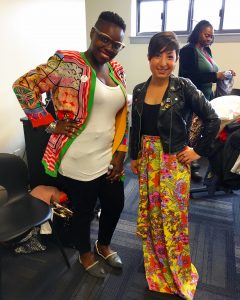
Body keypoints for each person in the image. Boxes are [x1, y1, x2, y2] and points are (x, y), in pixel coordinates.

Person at [13, 11, 128, 278]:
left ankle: (103, 245)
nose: (108, 47)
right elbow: (23, 87)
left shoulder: (117, 69)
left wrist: (121, 150)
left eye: (116, 44)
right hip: (78, 157)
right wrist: (49, 123)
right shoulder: (67, 63)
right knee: (83, 211)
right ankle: (85, 254)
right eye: (103, 38)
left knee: (115, 204)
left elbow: (123, 113)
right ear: (93, 33)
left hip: (109, 155)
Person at [130, 31, 220, 299]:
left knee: (173, 219)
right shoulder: (139, 90)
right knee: (153, 215)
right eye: (156, 55)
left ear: (177, 58)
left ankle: (177, 271)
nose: (162, 62)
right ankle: (156, 267)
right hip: (147, 161)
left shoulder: (184, 86)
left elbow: (212, 119)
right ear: (148, 58)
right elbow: (136, 126)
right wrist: (134, 155)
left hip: (173, 162)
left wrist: (197, 151)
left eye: (169, 56)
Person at [178, 20, 236, 181]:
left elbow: (211, 73)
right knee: (190, 132)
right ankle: (187, 165)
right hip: (191, 99)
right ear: (198, 33)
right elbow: (187, 76)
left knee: (202, 132)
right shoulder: (187, 51)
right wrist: (215, 76)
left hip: (206, 97)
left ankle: (194, 161)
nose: (210, 38)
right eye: (207, 34)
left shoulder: (207, 50)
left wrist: (224, 75)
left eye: (212, 35)